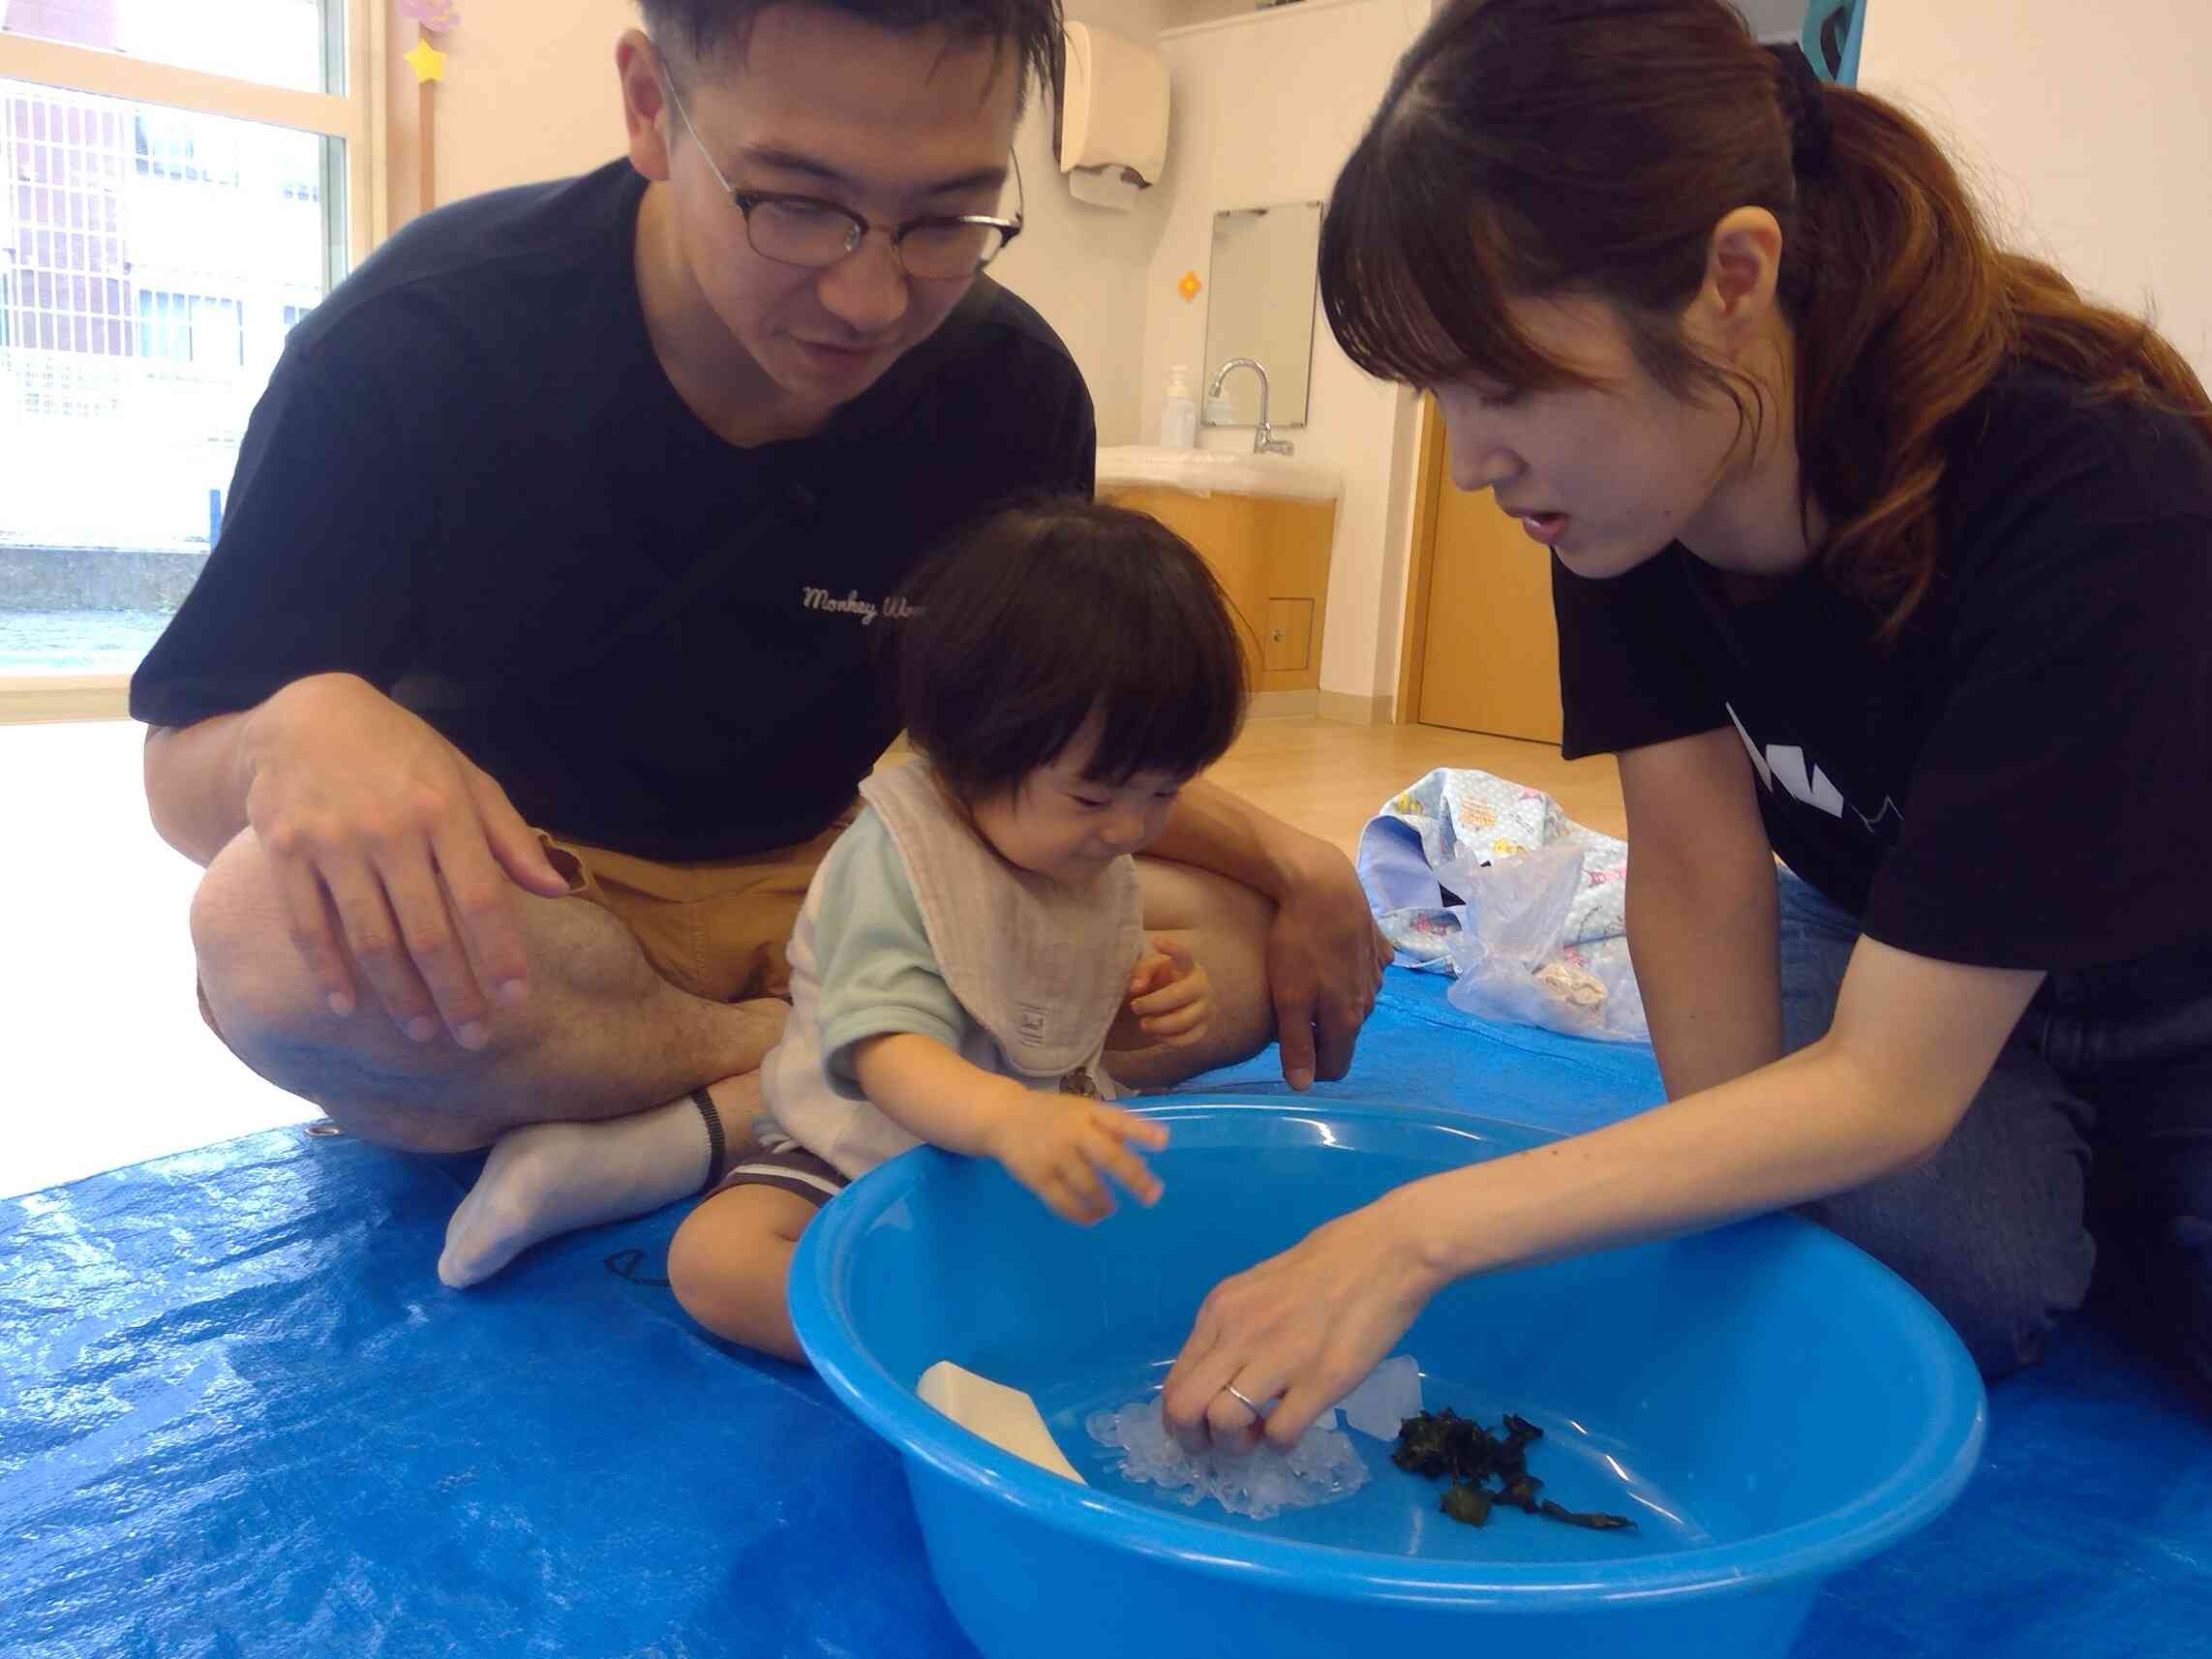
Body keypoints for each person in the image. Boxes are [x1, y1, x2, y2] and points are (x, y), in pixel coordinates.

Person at [135, 0, 1388, 1291]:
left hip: (855, 877)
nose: (872, 293)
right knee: (264, 942)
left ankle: (684, 1120)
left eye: (947, 216)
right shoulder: (420, 344)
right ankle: (812, 1062)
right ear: (647, 108)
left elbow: (1046, 748)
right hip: (556, 912)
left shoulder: (1008, 392)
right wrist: (293, 730)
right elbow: (182, 777)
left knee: (1237, 957)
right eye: (797, 204)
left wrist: (1296, 864)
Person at [1164, 0, 2212, 1454]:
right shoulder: (1624, 499)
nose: (1473, 463)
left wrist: (1415, 1231)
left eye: (1510, 384)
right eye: (1438, 396)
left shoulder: (2087, 495)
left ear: (1734, 275)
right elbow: (1699, 859)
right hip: (1890, 934)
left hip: (2166, 988)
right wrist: (1736, 1181)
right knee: (1923, 1266)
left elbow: (1888, 1083)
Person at [666, 498, 1246, 1357]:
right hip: (860, 1155)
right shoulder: (900, 859)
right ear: (975, 746)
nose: (1129, 829)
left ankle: (977, 1304)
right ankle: (918, 1338)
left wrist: (1134, 1004)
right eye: (1094, 796)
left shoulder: (1083, 850)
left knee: (1194, 1218)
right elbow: (886, 1052)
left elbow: (1051, 1014)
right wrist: (1009, 1120)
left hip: (1023, 1157)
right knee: (715, 1259)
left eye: (1162, 794)